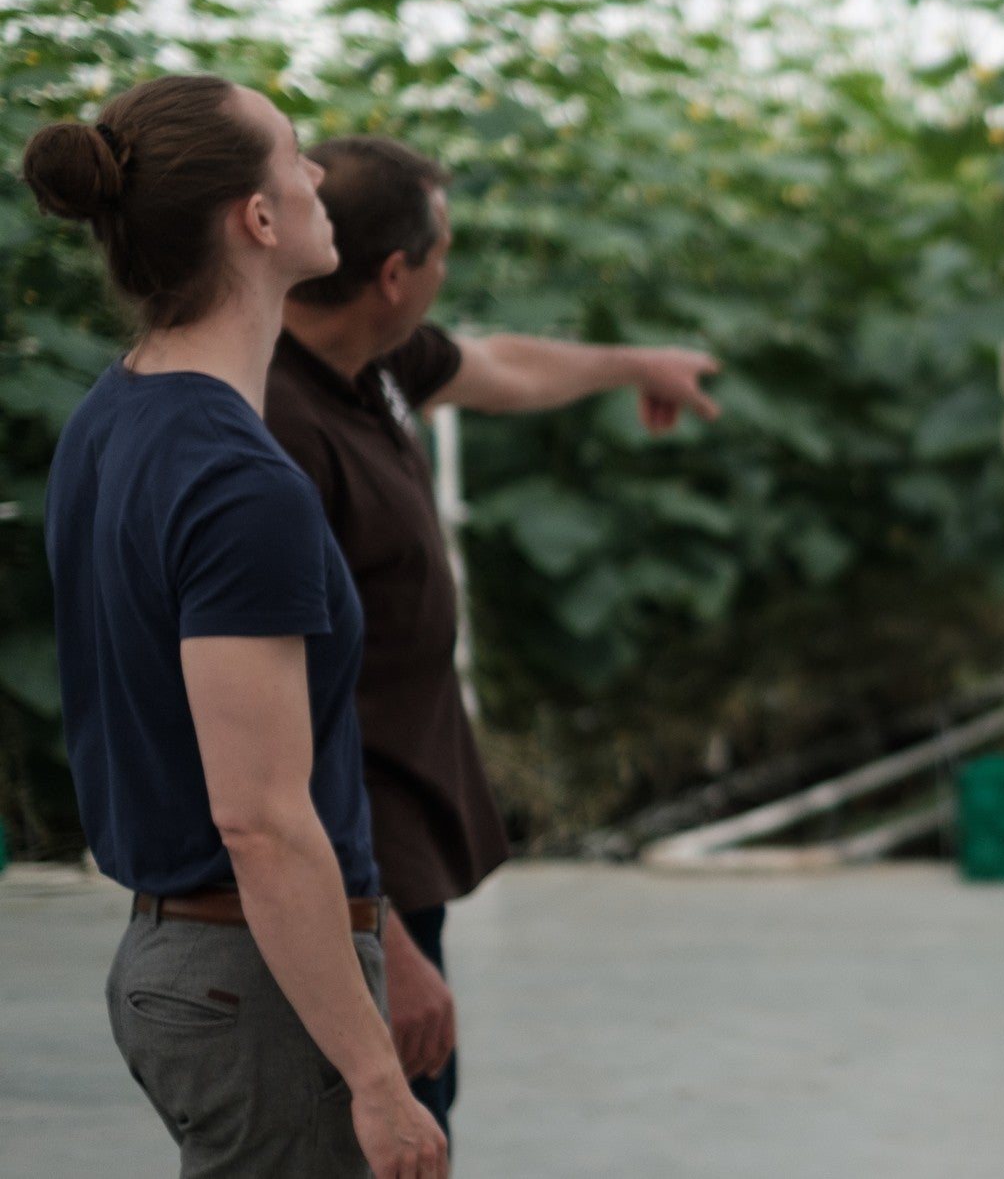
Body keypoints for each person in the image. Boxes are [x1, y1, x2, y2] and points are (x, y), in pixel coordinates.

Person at [262, 133, 721, 1141]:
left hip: (391, 847)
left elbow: (500, 364)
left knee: (414, 1118)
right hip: (347, 847)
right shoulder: (275, 424)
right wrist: (369, 926)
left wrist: (633, 363)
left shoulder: (367, 358)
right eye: (443, 252)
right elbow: (273, 729)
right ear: (394, 274)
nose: (445, 271)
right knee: (376, 1126)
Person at [31, 75, 446, 1179]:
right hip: (254, 977)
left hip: (190, 955)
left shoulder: (111, 414)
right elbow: (259, 818)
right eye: (297, 157)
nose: (319, 177)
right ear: (257, 220)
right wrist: (376, 1079)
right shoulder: (236, 479)